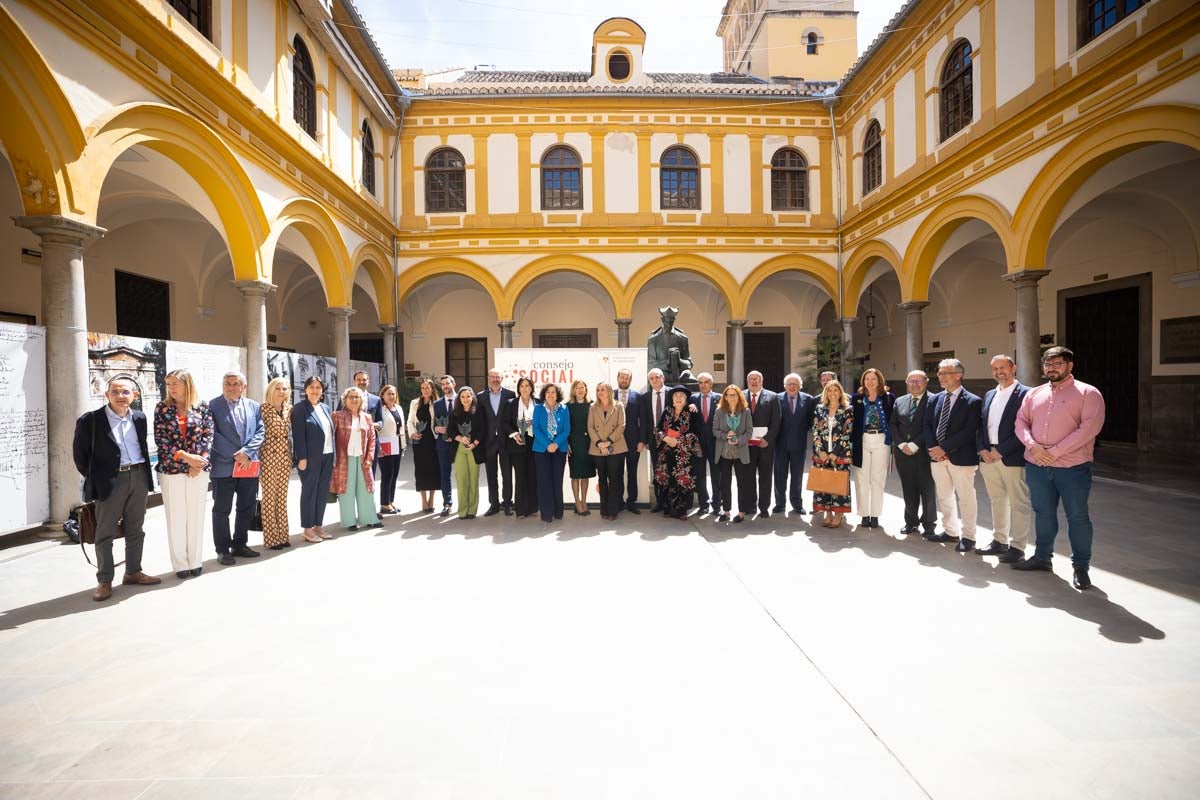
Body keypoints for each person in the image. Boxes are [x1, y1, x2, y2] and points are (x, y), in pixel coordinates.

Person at [1013, 346, 1106, 590]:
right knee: (1043, 513)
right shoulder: (1034, 394)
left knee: (1077, 516)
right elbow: (1021, 421)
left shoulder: (1089, 393)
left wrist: (1053, 452)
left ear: (1070, 366)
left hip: (1072, 468)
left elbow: (1088, 429)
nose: (1051, 368)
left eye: (1057, 363)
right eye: (1048, 364)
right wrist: (1033, 446)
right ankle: (1043, 558)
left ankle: (1081, 567)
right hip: (1037, 466)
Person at [74, 377, 160, 601]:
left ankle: (133, 572)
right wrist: (99, 478)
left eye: (125, 392)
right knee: (105, 533)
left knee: (136, 528)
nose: (120, 396)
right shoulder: (91, 420)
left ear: (134, 395)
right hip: (110, 481)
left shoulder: (139, 418)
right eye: (115, 391)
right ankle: (104, 581)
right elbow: (80, 457)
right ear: (107, 395)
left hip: (139, 475)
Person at [153, 368, 213, 579]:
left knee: (196, 516)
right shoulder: (162, 408)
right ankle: (180, 564)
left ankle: (195, 561)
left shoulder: (203, 406)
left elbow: (208, 436)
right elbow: (161, 440)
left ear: (187, 384)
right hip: (172, 469)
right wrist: (187, 459)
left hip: (199, 470)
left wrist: (199, 462)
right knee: (176, 517)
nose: (170, 388)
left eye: (174, 384)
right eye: (168, 384)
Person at [974, 355, 1031, 563]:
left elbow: (1025, 428)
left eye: (1003, 367)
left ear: (1013, 368)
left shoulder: (1027, 394)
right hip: (988, 457)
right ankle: (999, 541)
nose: (999, 372)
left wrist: (1002, 450)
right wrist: (981, 449)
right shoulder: (990, 394)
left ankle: (1018, 547)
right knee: (997, 500)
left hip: (1012, 457)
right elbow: (981, 424)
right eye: (995, 368)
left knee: (1019, 503)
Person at [923, 358, 983, 551]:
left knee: (966, 498)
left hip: (962, 458)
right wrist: (934, 448)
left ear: (959, 375)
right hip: (937, 458)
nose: (941, 376)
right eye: (939, 373)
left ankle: (969, 536)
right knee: (944, 496)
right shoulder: (934, 399)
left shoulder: (973, 401)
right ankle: (950, 531)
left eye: (945, 373)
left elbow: (969, 430)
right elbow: (928, 426)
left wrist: (945, 448)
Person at [209, 371, 264, 566]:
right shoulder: (213, 405)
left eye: (235, 383)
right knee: (222, 510)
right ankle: (223, 550)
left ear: (244, 387)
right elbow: (212, 435)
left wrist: (247, 453)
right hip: (224, 465)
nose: (231, 386)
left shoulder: (253, 406)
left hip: (248, 465)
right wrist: (236, 455)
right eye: (227, 383)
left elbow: (260, 430)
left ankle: (240, 544)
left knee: (246, 507)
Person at [889, 370, 938, 538]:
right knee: (908, 489)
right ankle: (911, 522)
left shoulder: (935, 400)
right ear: (906, 382)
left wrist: (915, 444)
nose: (915, 384)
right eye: (911, 381)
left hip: (925, 453)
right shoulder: (900, 401)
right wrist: (902, 444)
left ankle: (929, 525)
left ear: (926, 382)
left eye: (918, 381)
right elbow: (893, 424)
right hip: (903, 454)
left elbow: (932, 427)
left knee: (928, 490)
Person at [291, 376, 336, 543]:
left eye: (318, 387)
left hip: (327, 455)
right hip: (309, 459)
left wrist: (334, 456)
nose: (315, 390)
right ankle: (308, 529)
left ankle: (318, 525)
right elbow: (298, 435)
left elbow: (330, 433)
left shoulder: (325, 407)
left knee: (322, 492)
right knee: (309, 492)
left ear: (322, 391)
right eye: (312, 387)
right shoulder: (300, 409)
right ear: (306, 390)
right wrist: (301, 457)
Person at [850, 368, 896, 529]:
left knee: (878, 479)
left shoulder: (888, 398)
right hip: (861, 440)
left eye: (873, 379)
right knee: (861, 479)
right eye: (867, 379)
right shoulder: (856, 398)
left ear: (879, 381)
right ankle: (864, 514)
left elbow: (893, 420)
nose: (870, 382)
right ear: (863, 381)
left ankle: (875, 515)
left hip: (882, 439)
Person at [332, 386, 381, 531]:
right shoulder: (337, 415)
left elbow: (372, 439)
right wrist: (334, 459)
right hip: (343, 459)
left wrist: (369, 458)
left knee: (366, 489)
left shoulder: (367, 417)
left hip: (362, 458)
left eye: (357, 397)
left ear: (361, 400)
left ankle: (370, 518)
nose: (354, 400)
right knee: (346, 490)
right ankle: (349, 521)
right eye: (351, 397)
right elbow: (331, 438)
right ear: (345, 400)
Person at [654, 386, 701, 520]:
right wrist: (665, 437)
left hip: (683, 454)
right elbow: (658, 429)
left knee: (683, 481)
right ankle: (668, 508)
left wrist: (679, 440)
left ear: (686, 399)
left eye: (682, 396)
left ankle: (681, 511)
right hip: (666, 452)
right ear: (672, 399)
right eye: (676, 396)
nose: (679, 398)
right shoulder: (667, 411)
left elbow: (696, 432)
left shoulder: (692, 412)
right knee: (667, 480)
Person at [812, 379, 853, 528]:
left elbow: (847, 432)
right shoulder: (820, 408)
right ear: (826, 393)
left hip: (840, 454)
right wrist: (821, 451)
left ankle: (838, 514)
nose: (833, 393)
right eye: (830, 390)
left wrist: (835, 452)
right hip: (822, 454)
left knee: (838, 484)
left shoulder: (847, 409)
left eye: (836, 390)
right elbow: (815, 431)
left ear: (840, 392)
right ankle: (827, 513)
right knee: (824, 484)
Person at [774, 372, 815, 515]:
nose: (792, 386)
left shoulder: (808, 400)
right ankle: (780, 504)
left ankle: (797, 504)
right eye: (789, 384)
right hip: (780, 445)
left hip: (799, 444)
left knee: (797, 476)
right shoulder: (777, 399)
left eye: (795, 384)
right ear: (785, 386)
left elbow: (812, 422)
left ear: (800, 386)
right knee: (779, 475)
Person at [259, 377, 293, 550]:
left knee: (281, 498)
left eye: (285, 389)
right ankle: (272, 538)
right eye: (278, 388)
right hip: (268, 457)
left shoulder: (289, 409)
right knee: (269, 499)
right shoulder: (263, 409)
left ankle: (283, 535)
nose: (282, 391)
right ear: (271, 390)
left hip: (285, 457)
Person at [712, 384, 753, 523]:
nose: (731, 397)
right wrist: (725, 435)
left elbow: (749, 432)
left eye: (734, 394)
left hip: (740, 452)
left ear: (739, 396)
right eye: (728, 395)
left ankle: (741, 512)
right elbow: (715, 430)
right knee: (725, 483)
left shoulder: (745, 411)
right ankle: (727, 511)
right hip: (724, 453)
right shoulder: (719, 411)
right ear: (725, 397)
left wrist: (739, 440)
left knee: (742, 483)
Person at [478, 368, 515, 516]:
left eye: (497, 377)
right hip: (488, 442)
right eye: (492, 376)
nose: (495, 379)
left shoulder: (510, 395)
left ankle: (507, 504)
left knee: (507, 475)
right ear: (488, 378)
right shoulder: (480, 396)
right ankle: (494, 504)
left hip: (506, 441)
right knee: (491, 475)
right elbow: (480, 421)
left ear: (502, 378)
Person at [588, 381, 627, 521]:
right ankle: (604, 509)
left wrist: (608, 441)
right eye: (598, 389)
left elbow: (621, 426)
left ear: (609, 391)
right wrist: (600, 443)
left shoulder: (618, 405)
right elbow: (590, 427)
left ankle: (613, 510)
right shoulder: (592, 407)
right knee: (602, 479)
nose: (600, 392)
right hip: (597, 448)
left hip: (615, 447)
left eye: (603, 389)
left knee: (614, 479)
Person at [501, 376, 539, 519]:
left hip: (535, 444)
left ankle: (534, 507)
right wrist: (514, 433)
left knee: (533, 475)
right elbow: (505, 423)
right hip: (517, 444)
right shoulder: (510, 403)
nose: (525, 388)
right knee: (520, 476)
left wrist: (534, 422)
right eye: (522, 386)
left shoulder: (539, 403)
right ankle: (521, 510)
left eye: (527, 386)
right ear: (518, 388)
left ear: (532, 388)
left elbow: (543, 422)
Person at [745, 370, 781, 518]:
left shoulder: (772, 397)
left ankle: (764, 507)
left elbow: (776, 421)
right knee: (748, 477)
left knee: (765, 477)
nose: (754, 381)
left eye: (757, 379)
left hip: (765, 445)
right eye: (751, 379)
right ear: (747, 381)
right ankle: (750, 506)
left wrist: (768, 439)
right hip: (746, 445)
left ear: (762, 381)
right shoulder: (740, 395)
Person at [533, 382, 570, 523]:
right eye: (548, 392)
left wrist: (555, 443)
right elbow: (536, 428)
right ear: (544, 394)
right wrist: (548, 444)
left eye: (553, 392)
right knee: (544, 481)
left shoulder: (564, 409)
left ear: (557, 394)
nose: (550, 394)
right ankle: (546, 513)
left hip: (559, 449)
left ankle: (558, 511)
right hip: (542, 449)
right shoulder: (538, 409)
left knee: (557, 480)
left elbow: (567, 429)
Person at [448, 386, 486, 519]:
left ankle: (472, 511)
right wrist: (459, 438)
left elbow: (483, 429)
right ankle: (462, 511)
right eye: (462, 397)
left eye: (468, 396)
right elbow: (450, 430)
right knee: (462, 480)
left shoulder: (478, 412)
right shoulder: (454, 412)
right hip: (459, 448)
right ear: (459, 398)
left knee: (473, 480)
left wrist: (474, 443)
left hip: (474, 448)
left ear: (472, 397)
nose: (465, 399)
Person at [688, 372, 722, 515]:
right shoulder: (692, 399)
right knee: (700, 475)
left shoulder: (719, 399)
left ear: (711, 384)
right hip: (698, 444)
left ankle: (717, 505)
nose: (703, 385)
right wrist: (689, 406)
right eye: (700, 382)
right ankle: (703, 504)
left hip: (716, 443)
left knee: (717, 475)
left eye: (706, 382)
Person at [407, 378, 441, 513]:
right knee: (420, 470)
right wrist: (412, 433)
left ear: (432, 389)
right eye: (423, 388)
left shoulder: (437, 403)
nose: (425, 390)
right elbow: (410, 421)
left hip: (433, 440)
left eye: (428, 387)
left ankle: (432, 499)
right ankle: (423, 500)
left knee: (433, 470)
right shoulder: (414, 403)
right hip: (419, 441)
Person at [374, 384, 407, 515]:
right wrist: (378, 447)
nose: (391, 396)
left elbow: (400, 428)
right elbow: (376, 429)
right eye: (388, 394)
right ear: (382, 395)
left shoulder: (398, 408)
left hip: (397, 445)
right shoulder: (380, 410)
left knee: (394, 475)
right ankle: (384, 504)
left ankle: (391, 501)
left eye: (393, 394)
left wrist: (403, 446)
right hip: (385, 446)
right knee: (387, 475)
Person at [615, 369, 644, 514]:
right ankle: (618, 502)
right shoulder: (610, 395)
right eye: (622, 377)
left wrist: (642, 441)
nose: (624, 379)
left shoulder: (638, 396)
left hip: (633, 442)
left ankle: (632, 502)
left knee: (632, 473)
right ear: (617, 378)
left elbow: (643, 420)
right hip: (615, 442)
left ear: (630, 380)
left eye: (627, 377)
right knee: (617, 473)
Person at [640, 368, 668, 512]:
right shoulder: (645, 397)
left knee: (672, 470)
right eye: (652, 378)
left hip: (671, 440)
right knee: (657, 471)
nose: (655, 380)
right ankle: (660, 502)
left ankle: (672, 501)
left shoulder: (673, 393)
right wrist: (645, 440)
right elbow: (644, 421)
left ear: (663, 377)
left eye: (657, 377)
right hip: (654, 440)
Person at [566, 379, 596, 516]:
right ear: (573, 390)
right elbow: (565, 427)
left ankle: (584, 501)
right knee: (576, 475)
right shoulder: (567, 406)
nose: (580, 390)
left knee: (585, 475)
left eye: (582, 387)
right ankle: (577, 502)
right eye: (577, 387)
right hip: (574, 444)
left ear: (586, 389)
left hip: (588, 443)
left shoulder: (592, 405)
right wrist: (566, 443)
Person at [434, 375, 457, 516]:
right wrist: (437, 429)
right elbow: (433, 423)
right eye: (442, 384)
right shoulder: (437, 404)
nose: (445, 386)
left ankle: (466, 503)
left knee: (462, 474)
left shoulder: (463, 399)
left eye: (447, 383)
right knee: (445, 474)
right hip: (443, 444)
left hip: (459, 443)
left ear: (453, 384)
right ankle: (447, 503)